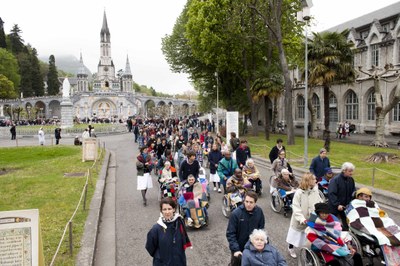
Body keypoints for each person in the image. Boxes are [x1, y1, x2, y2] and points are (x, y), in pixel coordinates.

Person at [286, 172, 323, 259]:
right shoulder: (299, 193)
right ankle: (291, 247)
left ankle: (309, 254)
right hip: (300, 219)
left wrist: (322, 209)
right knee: (295, 235)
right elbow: (296, 207)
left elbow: (319, 201)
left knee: (310, 237)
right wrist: (302, 219)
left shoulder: (315, 190)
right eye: (313, 179)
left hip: (312, 217)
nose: (315, 180)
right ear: (308, 181)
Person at [145, 197, 192, 266]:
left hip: (179, 261)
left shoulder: (179, 223)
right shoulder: (156, 229)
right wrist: (159, 257)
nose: (167, 212)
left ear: (174, 209)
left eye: (169, 209)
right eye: (164, 209)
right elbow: (150, 247)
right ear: (161, 211)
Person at [226, 191, 265, 266]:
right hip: (239, 248)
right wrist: (236, 249)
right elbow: (230, 233)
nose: (248, 204)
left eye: (251, 202)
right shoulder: (236, 214)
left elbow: (261, 229)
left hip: (253, 247)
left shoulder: (259, 212)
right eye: (246, 201)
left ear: (255, 203)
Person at [328, 162, 356, 231]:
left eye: (352, 171)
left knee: (346, 225)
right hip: (335, 207)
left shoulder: (351, 180)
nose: (351, 173)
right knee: (333, 225)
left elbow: (353, 191)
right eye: (349, 171)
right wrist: (337, 204)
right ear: (344, 170)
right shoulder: (335, 180)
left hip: (345, 207)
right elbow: (332, 193)